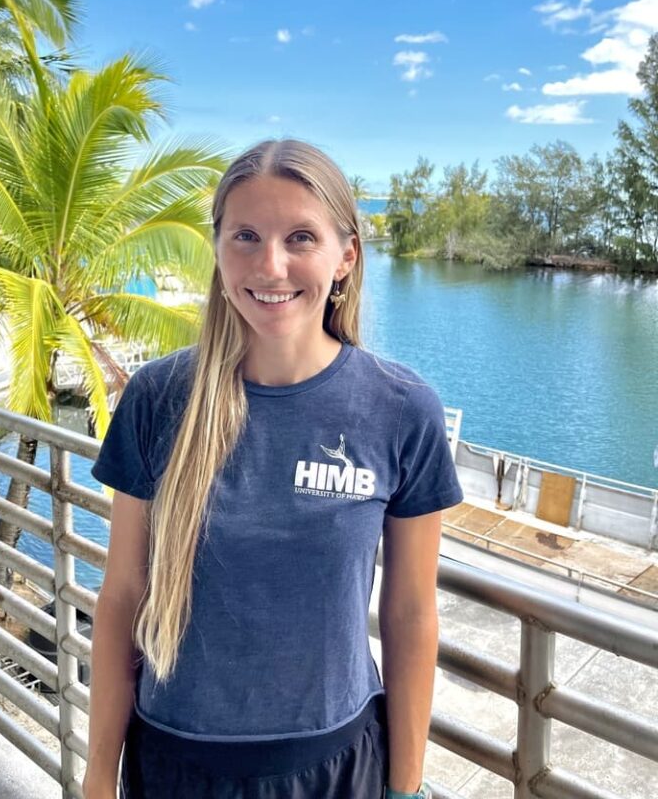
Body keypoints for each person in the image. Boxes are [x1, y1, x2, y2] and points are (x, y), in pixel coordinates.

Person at [83, 139, 464, 799]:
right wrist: (96, 779)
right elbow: (122, 597)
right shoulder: (157, 398)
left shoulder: (402, 410)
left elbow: (409, 613)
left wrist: (405, 788)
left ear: (346, 256)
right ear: (218, 248)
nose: (271, 265)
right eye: (246, 237)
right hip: (176, 764)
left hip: (335, 767)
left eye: (301, 238)